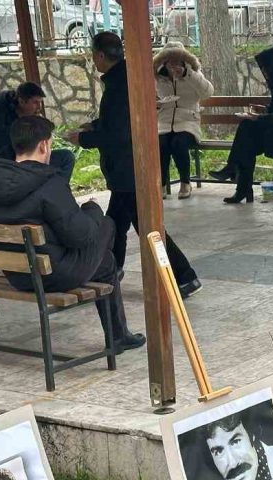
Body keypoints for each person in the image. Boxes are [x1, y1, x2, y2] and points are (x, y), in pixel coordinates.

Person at [0, 116, 146, 352]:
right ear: (44, 145)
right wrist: (92, 209)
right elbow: (80, 237)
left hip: (17, 273)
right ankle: (117, 336)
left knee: (104, 262)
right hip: (53, 275)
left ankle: (117, 327)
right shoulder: (49, 184)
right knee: (107, 225)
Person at [66, 32, 201, 298]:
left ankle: (183, 275)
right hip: (127, 168)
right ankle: (112, 271)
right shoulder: (127, 79)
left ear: (101, 55)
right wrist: (95, 126)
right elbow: (120, 122)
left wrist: (83, 138)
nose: (94, 60)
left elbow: (119, 133)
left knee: (141, 227)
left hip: (128, 167)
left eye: (94, 55)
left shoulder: (119, 85)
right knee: (121, 224)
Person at [208, 44, 273, 205]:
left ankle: (238, 181)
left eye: (265, 67)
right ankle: (240, 185)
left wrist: (258, 119)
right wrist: (263, 111)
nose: (264, 72)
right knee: (247, 139)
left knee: (247, 132)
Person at [0, 81, 76, 179]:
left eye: (40, 103)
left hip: (24, 159)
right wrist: (25, 126)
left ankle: (58, 192)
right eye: (35, 102)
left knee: (66, 157)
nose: (39, 107)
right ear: (22, 101)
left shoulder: (28, 112)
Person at [154, 41, 214, 200]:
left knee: (178, 143)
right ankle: (162, 185)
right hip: (164, 122)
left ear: (183, 61)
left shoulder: (192, 74)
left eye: (177, 61)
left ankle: (185, 182)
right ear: (164, 62)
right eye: (169, 62)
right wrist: (155, 103)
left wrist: (187, 75)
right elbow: (148, 97)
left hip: (188, 122)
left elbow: (207, 92)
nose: (173, 66)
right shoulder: (157, 77)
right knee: (161, 143)